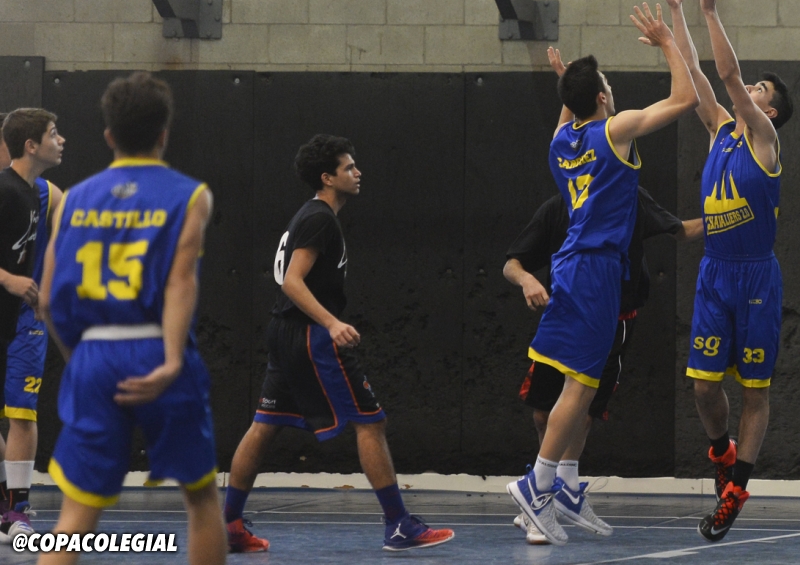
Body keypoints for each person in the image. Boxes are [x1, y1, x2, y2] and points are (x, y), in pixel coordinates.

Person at [506, 0, 699, 547]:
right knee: (581, 386)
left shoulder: (560, 142)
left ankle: (555, 485)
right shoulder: (615, 131)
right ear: (600, 98)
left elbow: (568, 113)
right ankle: (537, 485)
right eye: (606, 85)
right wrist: (667, 41)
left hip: (569, 265)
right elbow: (685, 98)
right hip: (595, 270)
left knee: (577, 386)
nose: (611, 90)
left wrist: (565, 85)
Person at [221, 134, 454, 553]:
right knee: (371, 422)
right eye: (349, 167)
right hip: (309, 335)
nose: (358, 172)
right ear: (327, 178)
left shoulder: (312, 215)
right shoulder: (319, 219)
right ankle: (399, 525)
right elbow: (292, 282)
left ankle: (229, 527)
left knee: (265, 425)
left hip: (285, 332)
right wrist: (330, 322)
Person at [36, 73, 226, 565]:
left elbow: (48, 300)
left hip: (95, 354)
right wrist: (170, 360)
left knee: (74, 516)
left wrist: (79, 358)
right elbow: (180, 282)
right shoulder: (191, 196)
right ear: (163, 134)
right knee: (202, 499)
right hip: (155, 346)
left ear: (108, 136)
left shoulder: (71, 200)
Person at [647, 0, 793, 542]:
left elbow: (727, 74)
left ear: (770, 112)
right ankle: (721, 453)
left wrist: (710, 10)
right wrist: (677, 11)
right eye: (752, 86)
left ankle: (737, 489)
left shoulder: (765, 141)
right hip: (715, 273)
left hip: (756, 278)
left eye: (760, 91)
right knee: (705, 387)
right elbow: (697, 75)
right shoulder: (721, 130)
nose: (748, 90)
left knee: (755, 390)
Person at [504, 179, 703, 544]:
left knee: (584, 408)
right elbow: (512, 264)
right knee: (545, 413)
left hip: (615, 318)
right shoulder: (557, 207)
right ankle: (543, 492)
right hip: (567, 313)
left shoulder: (629, 197)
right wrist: (527, 280)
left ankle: (557, 489)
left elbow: (682, 230)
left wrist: (730, 216)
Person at [0, 109, 64, 542]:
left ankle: (16, 510)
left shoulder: (41, 191)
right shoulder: (5, 190)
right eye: (54, 134)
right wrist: (8, 279)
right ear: (30, 145)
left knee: (22, 411)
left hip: (25, 319)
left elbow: (71, 211)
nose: (62, 141)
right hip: (6, 308)